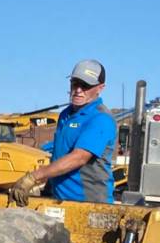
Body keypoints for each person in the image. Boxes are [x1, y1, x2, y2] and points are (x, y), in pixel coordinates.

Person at [9, 60, 117, 204]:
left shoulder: (101, 119)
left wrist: (34, 177)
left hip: (88, 203)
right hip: (59, 200)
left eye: (85, 86)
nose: (78, 90)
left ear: (100, 88)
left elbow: (79, 157)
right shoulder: (65, 115)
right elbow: (60, 154)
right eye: (75, 83)